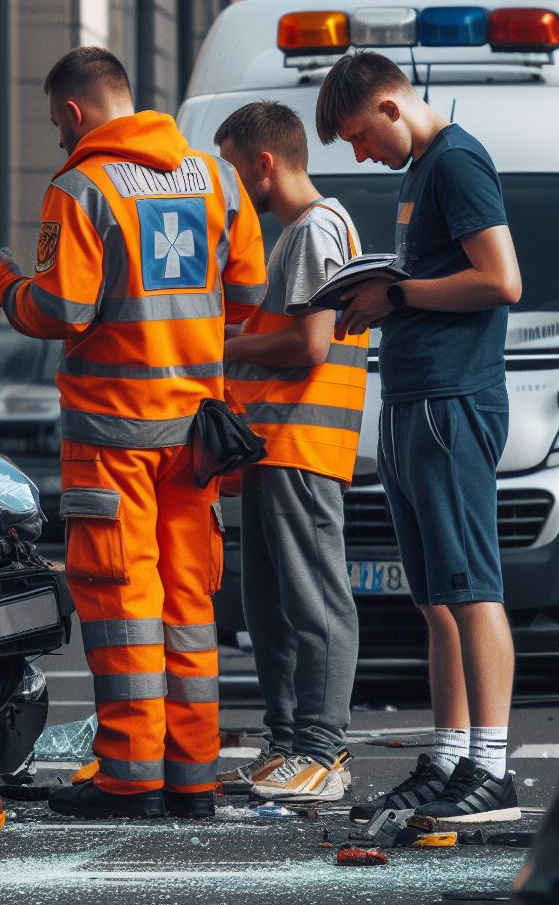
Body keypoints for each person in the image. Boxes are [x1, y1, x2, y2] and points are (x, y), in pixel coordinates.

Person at [0, 47, 267, 820]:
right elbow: (249, 293)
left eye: (57, 125)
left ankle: (130, 775)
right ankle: (192, 775)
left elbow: (60, 310)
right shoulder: (217, 179)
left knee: (123, 598)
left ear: (74, 112)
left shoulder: (82, 188)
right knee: (188, 602)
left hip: (112, 435)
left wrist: (0, 285)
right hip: (195, 434)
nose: (60, 138)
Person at [316, 51, 522, 824]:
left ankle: (491, 772)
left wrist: (395, 295)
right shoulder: (424, 168)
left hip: (450, 398)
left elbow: (502, 280)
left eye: (360, 136)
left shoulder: (457, 162)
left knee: (470, 590)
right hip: (416, 400)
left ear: (390, 107)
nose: (361, 153)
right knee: (438, 599)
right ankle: (448, 760)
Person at [215, 101, 367, 803]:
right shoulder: (300, 233)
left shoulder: (313, 230)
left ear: (265, 164)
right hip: (275, 446)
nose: (229, 187)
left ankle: (321, 752)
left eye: (233, 170)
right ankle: (288, 745)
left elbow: (310, 345)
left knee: (313, 603)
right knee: (272, 607)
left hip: (301, 444)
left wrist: (229, 346)